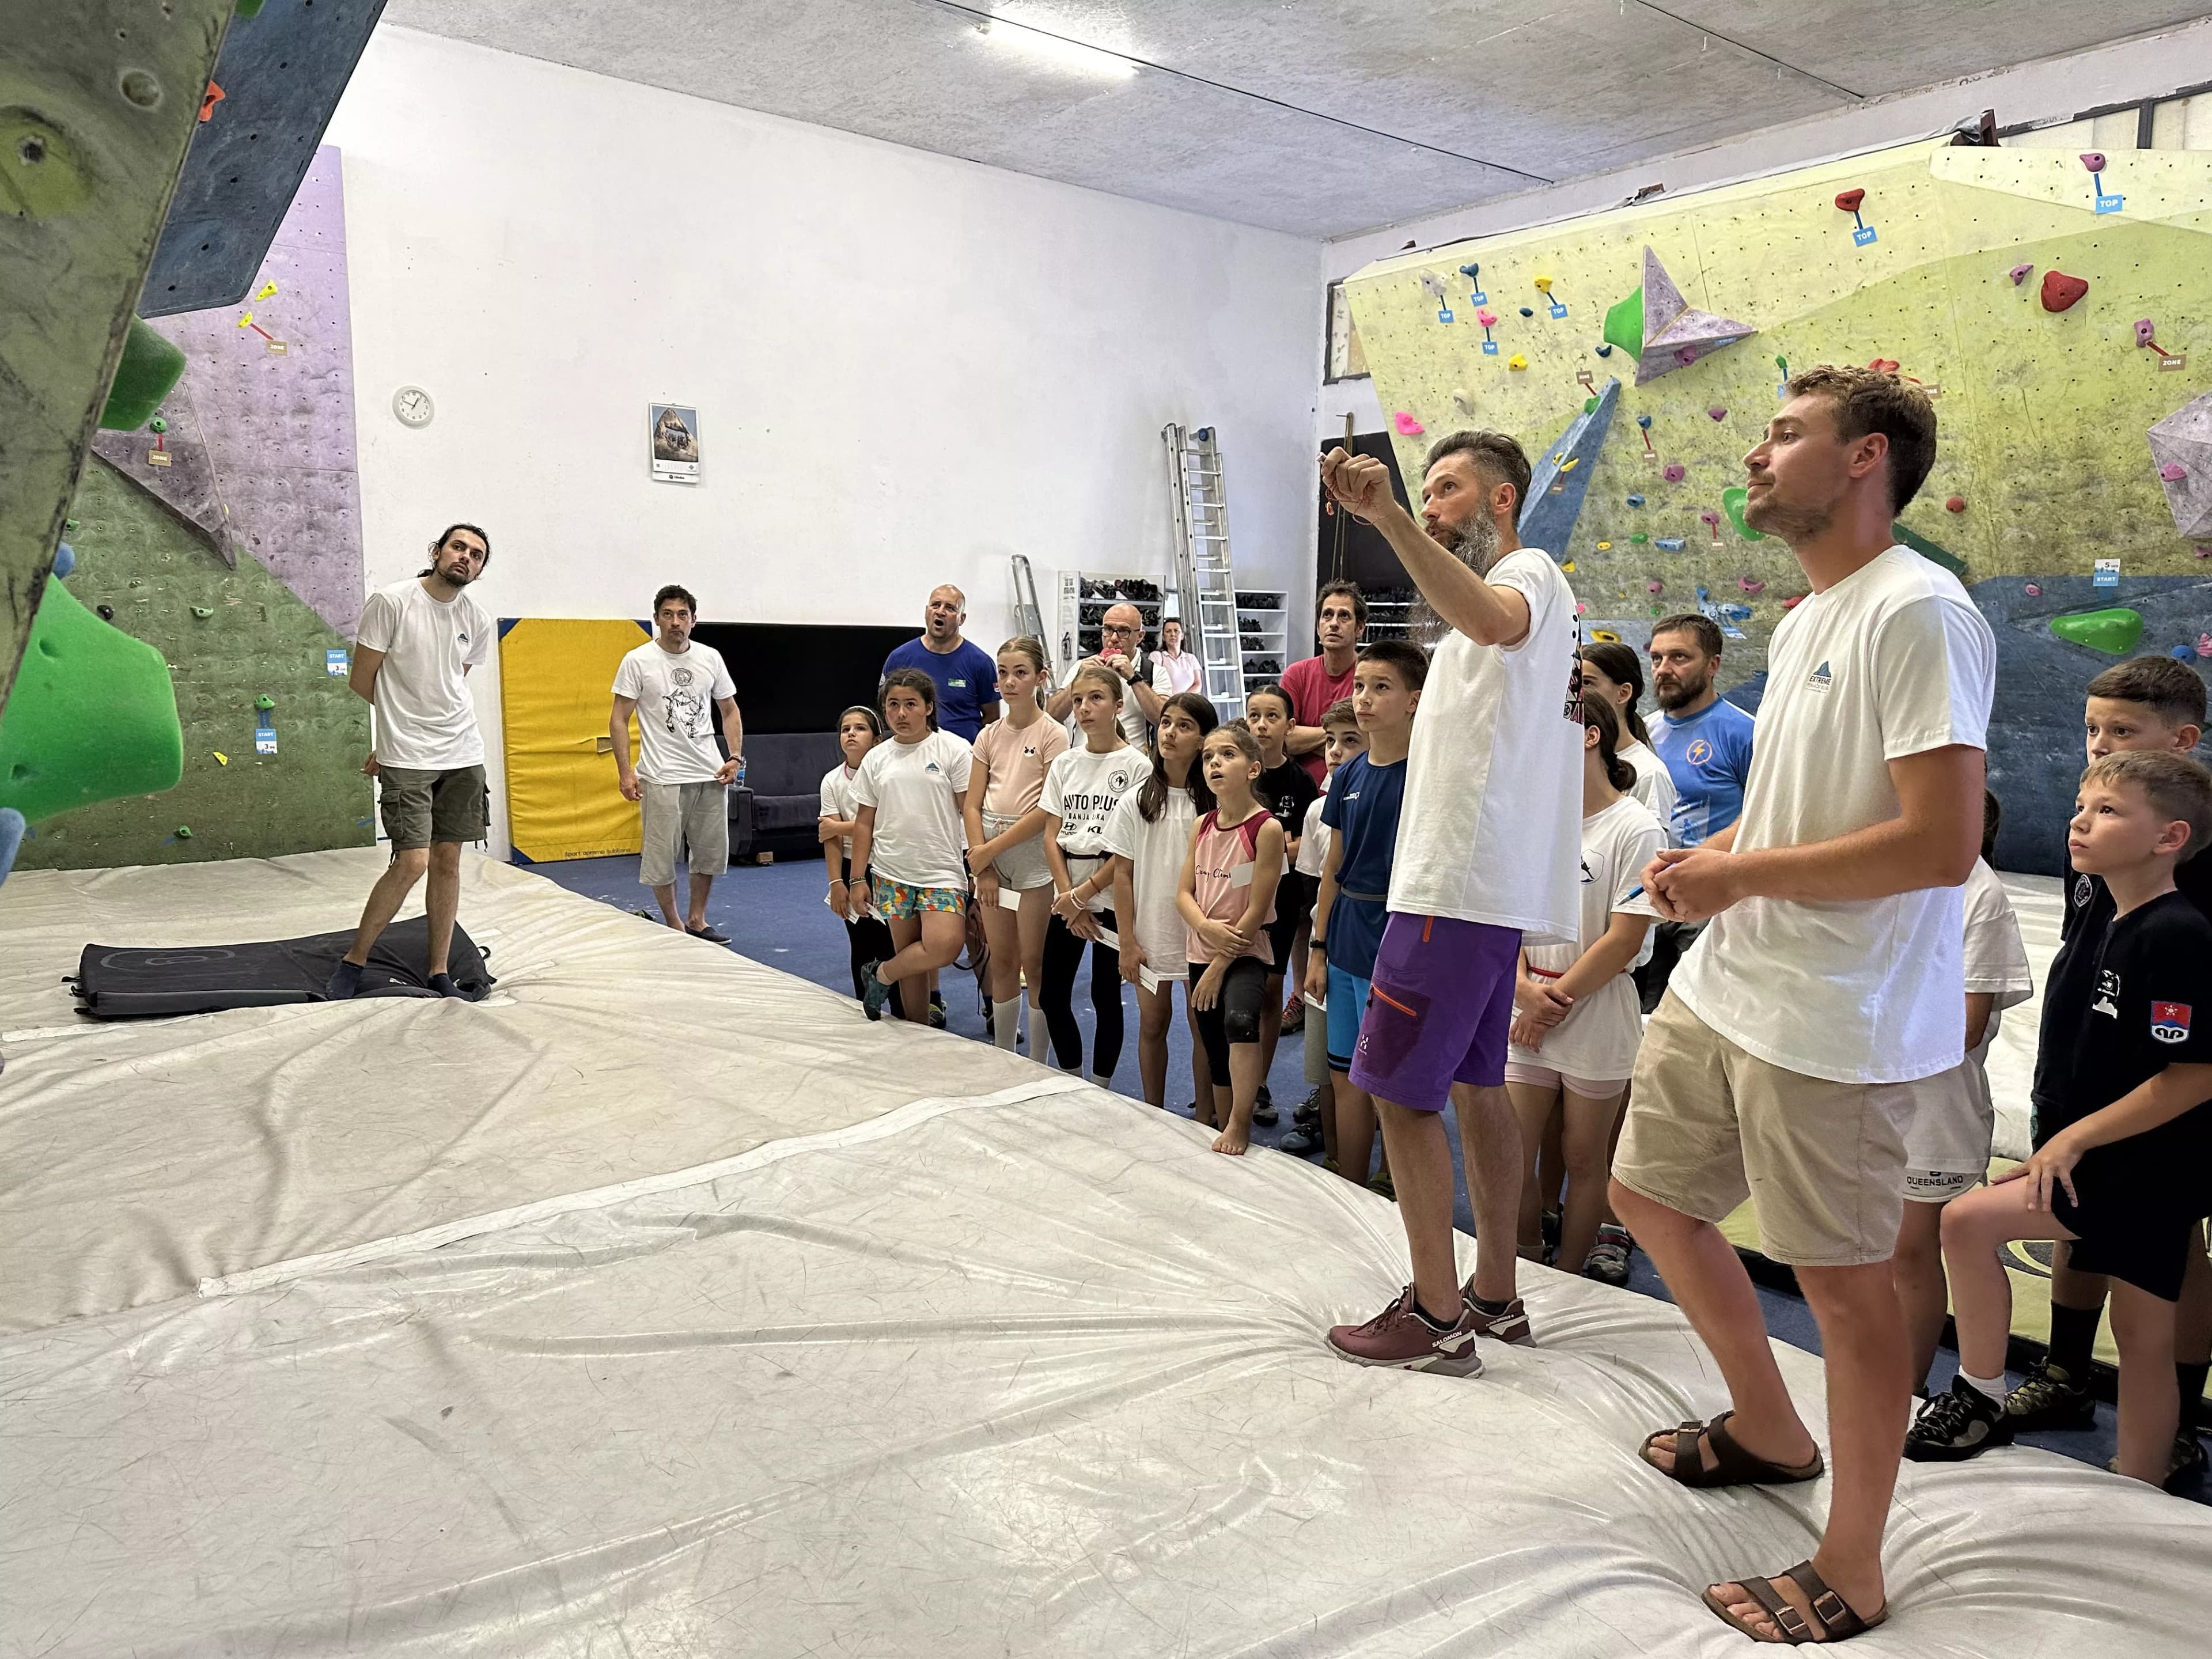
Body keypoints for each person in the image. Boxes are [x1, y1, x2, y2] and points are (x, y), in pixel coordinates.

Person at [1612, 366, 1992, 1645]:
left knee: (1846, 1292)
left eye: (1786, 434)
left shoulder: (1918, 610)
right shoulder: (1815, 613)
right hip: (1738, 979)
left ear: (1866, 457)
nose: (1759, 456)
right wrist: (1715, 885)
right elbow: (1819, 816)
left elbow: (1940, 845)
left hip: (1837, 1012)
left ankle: (1855, 1564)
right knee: (1648, 1197)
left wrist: (1736, 875)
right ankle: (1772, 1432)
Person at [1316, 428, 1583, 1380]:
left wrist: (1384, 517)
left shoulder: (1530, 573)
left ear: (1503, 499)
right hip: (1478, 887)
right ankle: (1496, 1296)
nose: (1430, 506)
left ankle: (1435, 1318)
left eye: (1447, 491)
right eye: (1424, 495)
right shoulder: (1495, 600)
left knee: (1394, 1090)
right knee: (1476, 1085)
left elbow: (1493, 619)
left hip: (1457, 888)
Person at [1911, 751, 2212, 1491]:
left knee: (2141, 1339)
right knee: (1971, 1226)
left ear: (2169, 837)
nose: (2081, 819)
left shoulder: (2177, 933)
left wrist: (2076, 1139)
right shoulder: (2104, 911)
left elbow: (2193, 1075)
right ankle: (1986, 1396)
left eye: (2108, 811)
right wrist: (2060, 1135)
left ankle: (2133, 1482)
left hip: (2145, 1172)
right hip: (2096, 1158)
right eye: (2082, 804)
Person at [2007, 654, 2212, 1489]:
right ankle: (2063, 1373)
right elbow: (2082, 951)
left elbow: (2191, 1031)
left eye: (2123, 732)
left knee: (2172, 1254)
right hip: (2081, 1075)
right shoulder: (2096, 828)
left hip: (2166, 1091)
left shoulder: (2184, 849)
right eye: (2092, 730)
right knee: (2074, 1214)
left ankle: (2176, 1419)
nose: (2098, 747)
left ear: (2184, 740)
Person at [1505, 693, 1664, 1279]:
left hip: (1595, 1009)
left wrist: (1546, 1007)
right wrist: (1523, 991)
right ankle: (1523, 1260)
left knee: (1583, 1155)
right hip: (1525, 1002)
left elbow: (1624, 939)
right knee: (1513, 1150)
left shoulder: (1636, 827)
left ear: (1590, 736)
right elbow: (1509, 920)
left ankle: (1569, 1275)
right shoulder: (1537, 822)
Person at [1889, 790, 2032, 1398]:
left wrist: (1867, 1022)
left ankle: (1910, 1388)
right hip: (1883, 1103)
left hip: (1935, 1116)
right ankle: (1890, 1380)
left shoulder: (1981, 898)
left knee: (1912, 1252)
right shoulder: (1898, 882)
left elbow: (1964, 1028)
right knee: (1882, 1252)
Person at [328, 523, 495, 1001]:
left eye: (477, 555)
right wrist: (396, 738)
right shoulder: (392, 602)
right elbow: (364, 681)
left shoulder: (477, 619)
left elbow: (451, 684)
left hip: (464, 752)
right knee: (412, 862)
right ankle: (354, 959)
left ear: (481, 568)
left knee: (448, 862)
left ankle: (439, 970)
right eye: (458, 547)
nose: (465, 557)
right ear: (438, 552)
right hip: (410, 756)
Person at [1304, 642, 1426, 1193]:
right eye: (1360, 686)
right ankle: (1351, 1186)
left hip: (1399, 937)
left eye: (1382, 688)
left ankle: (1392, 1178)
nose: (1365, 699)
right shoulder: (1349, 774)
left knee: (1389, 1082)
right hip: (1347, 931)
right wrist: (1317, 948)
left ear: (1414, 701)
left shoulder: (1426, 778)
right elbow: (1332, 867)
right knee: (1344, 1074)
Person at [611, 585, 743, 941]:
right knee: (661, 857)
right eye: (667, 615)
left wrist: (734, 757)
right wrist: (626, 772)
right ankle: (674, 924)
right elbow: (619, 719)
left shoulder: (710, 658)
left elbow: (729, 710)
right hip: (661, 775)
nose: (675, 622)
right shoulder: (637, 661)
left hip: (710, 773)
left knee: (709, 854)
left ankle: (697, 919)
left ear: (693, 620)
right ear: (656, 619)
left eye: (682, 615)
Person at [1638, 614, 1756, 1011]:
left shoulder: (1744, 733)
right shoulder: (1644, 733)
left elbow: (1765, 815)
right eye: (1656, 659)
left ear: (1713, 665)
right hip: (1650, 900)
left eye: (1679, 658)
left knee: (1702, 1012)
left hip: (1712, 906)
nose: (1663, 670)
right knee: (1645, 1017)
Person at [1179, 721, 1286, 1156]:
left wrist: (1220, 966)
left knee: (1239, 1022)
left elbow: (1257, 911)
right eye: (1208, 757)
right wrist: (1204, 929)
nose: (1215, 764)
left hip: (1245, 951)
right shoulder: (1202, 824)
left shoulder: (1267, 829)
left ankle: (1240, 1122)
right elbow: (1184, 893)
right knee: (1212, 1043)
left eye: (1227, 755)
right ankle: (1224, 1122)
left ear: (1253, 769)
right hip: (1202, 947)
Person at [1108, 692, 1218, 1111]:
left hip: (1202, 932)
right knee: (1153, 1024)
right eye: (1167, 723)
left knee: (1202, 1027)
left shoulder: (1214, 801)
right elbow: (1122, 874)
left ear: (1204, 739)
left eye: (1185, 726)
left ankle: (1205, 1113)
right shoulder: (1136, 800)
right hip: (1151, 931)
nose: (1171, 733)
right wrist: (1127, 941)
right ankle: (1154, 1109)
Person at [843, 670, 972, 1024]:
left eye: (911, 705)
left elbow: (970, 810)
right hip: (892, 871)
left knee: (944, 946)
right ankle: (918, 1037)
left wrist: (981, 865)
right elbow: (864, 822)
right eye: (893, 705)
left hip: (942, 871)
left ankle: (881, 973)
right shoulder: (877, 758)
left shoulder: (955, 750)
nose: (901, 714)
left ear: (929, 707)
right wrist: (857, 879)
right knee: (911, 962)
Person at [1039, 664, 1144, 1085]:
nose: (1084, 708)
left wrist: (1083, 896)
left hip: (1112, 892)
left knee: (1105, 995)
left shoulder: (1137, 766)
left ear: (1118, 706)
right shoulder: (1066, 763)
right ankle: (1072, 1077)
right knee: (1051, 994)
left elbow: (1132, 848)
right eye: (1078, 700)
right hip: (1069, 891)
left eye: (1096, 699)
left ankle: (1100, 1086)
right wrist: (1069, 899)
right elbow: (1051, 835)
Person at [965, 638, 1069, 1054]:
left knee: (1035, 963)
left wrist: (991, 851)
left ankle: (1038, 1060)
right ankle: (1005, 1053)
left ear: (1040, 678)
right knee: (1002, 960)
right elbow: (971, 804)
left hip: (1031, 855)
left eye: (1020, 673)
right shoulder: (988, 735)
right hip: (990, 852)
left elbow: (1048, 809)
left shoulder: (1053, 734)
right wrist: (983, 863)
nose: (1010, 682)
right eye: (1003, 673)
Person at [1282, 699, 1363, 1161]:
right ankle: (1335, 1150)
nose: (1334, 751)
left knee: (1379, 1070)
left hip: (1369, 946)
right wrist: (1317, 947)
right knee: (1329, 1067)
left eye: (1349, 741)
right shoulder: (1316, 811)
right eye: (1330, 741)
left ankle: (1386, 1168)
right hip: (1327, 947)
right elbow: (1316, 889)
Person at [1244, 681, 1320, 1126]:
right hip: (1233, 899)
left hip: (1283, 903)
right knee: (1235, 991)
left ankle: (1259, 1081)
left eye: (1273, 716)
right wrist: (1278, 846)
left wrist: (1273, 849)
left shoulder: (1300, 781)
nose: (1262, 724)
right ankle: (1228, 1078)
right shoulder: (1237, 771)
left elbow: (1305, 849)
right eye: (1255, 715)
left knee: (1271, 993)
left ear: (1291, 726)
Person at [819, 704, 902, 1020]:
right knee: (860, 941)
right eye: (846, 729)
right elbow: (829, 838)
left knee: (890, 943)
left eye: (860, 728)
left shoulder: (886, 774)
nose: (851, 734)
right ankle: (865, 1007)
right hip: (851, 866)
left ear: (877, 739)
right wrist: (835, 882)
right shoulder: (831, 781)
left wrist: (840, 826)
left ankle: (904, 1010)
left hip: (885, 865)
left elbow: (883, 822)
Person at [1577, 639, 1677, 831]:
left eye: (1588, 683)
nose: (1577, 695)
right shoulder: (1576, 761)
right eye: (1574, 684)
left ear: (1623, 693)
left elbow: (1649, 850)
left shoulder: (1649, 774)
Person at [881, 585, 1001, 742]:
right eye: (935, 605)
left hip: (963, 757)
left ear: (962, 619)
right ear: (926, 611)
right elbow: (886, 707)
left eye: (950, 608)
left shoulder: (981, 663)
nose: (940, 612)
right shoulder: (899, 658)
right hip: (912, 753)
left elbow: (992, 718)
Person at [1282, 581, 1367, 783]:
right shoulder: (1296, 675)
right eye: (1327, 615)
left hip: (1356, 786)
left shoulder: (1368, 677)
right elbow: (1286, 740)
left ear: (1360, 628)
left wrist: (1308, 739)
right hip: (1300, 794)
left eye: (1344, 616)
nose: (1334, 623)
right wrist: (1344, 737)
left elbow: (1372, 744)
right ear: (1318, 626)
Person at [1048, 602, 1162, 745]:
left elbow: (1162, 719)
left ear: (1140, 636)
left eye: (1123, 631)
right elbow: (1052, 715)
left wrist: (1134, 679)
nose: (1113, 638)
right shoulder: (1081, 666)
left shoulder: (1154, 672)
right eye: (1108, 629)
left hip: (1130, 763)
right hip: (1084, 761)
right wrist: (1079, 681)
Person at [1150, 618, 1203, 696]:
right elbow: (1155, 684)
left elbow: (1198, 684)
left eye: (1176, 631)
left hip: (1189, 703)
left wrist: (1182, 699)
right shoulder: (1156, 657)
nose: (1173, 635)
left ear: (1182, 636)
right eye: (1168, 631)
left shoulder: (1191, 658)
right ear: (1163, 637)